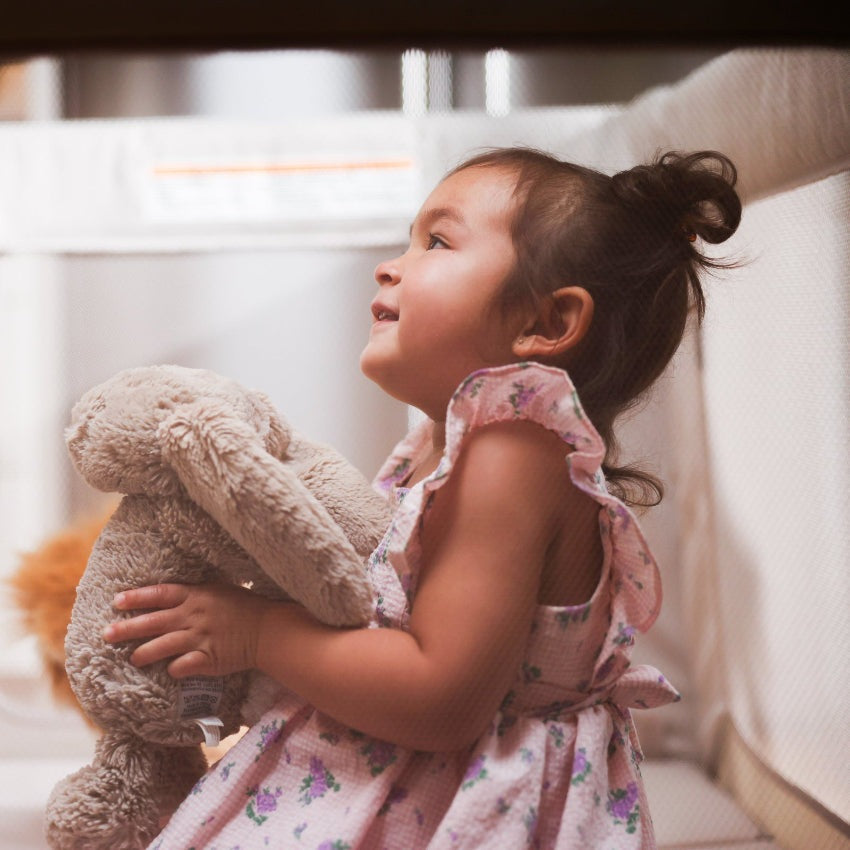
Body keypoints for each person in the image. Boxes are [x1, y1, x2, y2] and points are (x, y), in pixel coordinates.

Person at [105, 145, 741, 848]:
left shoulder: (515, 452)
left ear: (546, 323)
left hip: (467, 812)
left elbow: (441, 697)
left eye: (436, 242)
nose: (390, 265)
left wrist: (259, 633)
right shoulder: (438, 450)